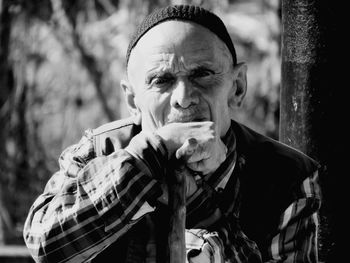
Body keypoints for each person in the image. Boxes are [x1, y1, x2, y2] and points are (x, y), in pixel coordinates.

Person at [23, 4, 321, 263]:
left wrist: (202, 207)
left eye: (202, 74)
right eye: (161, 80)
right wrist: (149, 157)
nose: (183, 97)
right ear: (132, 101)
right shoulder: (100, 149)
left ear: (237, 87)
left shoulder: (287, 177)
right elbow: (47, 247)